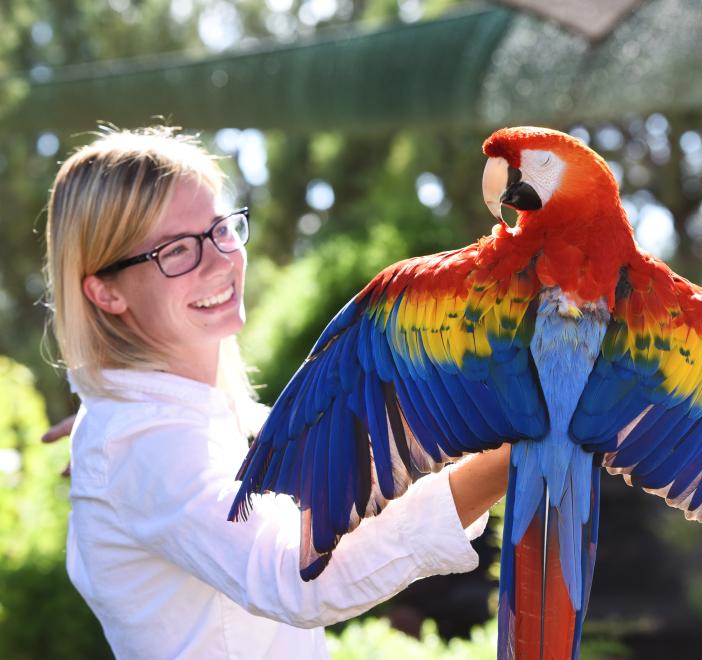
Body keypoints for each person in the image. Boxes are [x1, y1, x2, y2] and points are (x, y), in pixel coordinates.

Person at [43, 125, 510, 659]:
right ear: (105, 291)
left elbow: (342, 456)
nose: (221, 262)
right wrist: (510, 455)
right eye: (175, 251)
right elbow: (299, 576)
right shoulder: (142, 441)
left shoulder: (160, 425)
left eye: (220, 228)